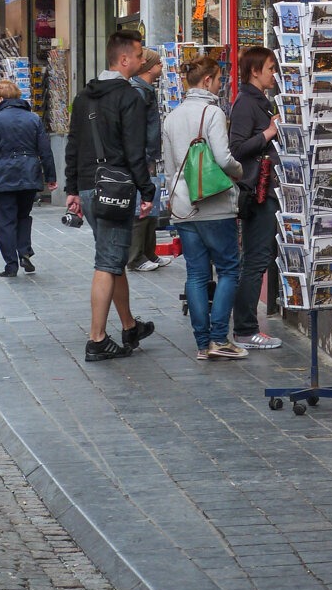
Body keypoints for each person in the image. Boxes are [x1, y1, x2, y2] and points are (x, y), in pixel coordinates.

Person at [65, 31, 156, 363]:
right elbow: (135, 151)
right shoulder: (129, 97)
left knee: (113, 258)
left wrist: (72, 189)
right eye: (138, 54)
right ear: (124, 60)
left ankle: (129, 326)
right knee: (107, 263)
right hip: (116, 189)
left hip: (89, 188)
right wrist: (147, 191)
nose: (143, 59)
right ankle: (97, 339)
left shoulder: (84, 97)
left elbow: (73, 145)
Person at [163, 54, 245, 361]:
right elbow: (223, 159)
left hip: (183, 206)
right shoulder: (211, 113)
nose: (221, 85)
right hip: (215, 204)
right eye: (219, 80)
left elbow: (170, 168)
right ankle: (219, 337)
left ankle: (202, 343)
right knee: (228, 270)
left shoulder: (171, 117)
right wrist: (238, 172)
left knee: (196, 274)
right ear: (208, 80)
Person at [229, 45, 283, 350]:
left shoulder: (259, 101)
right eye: (270, 68)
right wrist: (269, 133)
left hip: (266, 189)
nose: (274, 74)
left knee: (258, 258)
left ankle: (245, 327)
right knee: (255, 259)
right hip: (257, 192)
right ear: (255, 71)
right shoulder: (246, 103)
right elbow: (236, 148)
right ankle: (246, 328)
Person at [0, 79, 57, 276]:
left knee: (5, 220)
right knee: (23, 216)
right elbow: (45, 150)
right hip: (29, 172)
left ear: (0, 98)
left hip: (4, 175)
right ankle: (24, 251)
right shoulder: (33, 119)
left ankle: (10, 265)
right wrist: (51, 176)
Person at [128, 47, 171, 272]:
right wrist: (143, 156)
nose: (162, 67)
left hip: (148, 155)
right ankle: (136, 256)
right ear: (149, 66)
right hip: (142, 157)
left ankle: (148, 252)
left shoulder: (145, 90)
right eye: (158, 64)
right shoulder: (138, 91)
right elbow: (136, 128)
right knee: (141, 206)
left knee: (149, 206)